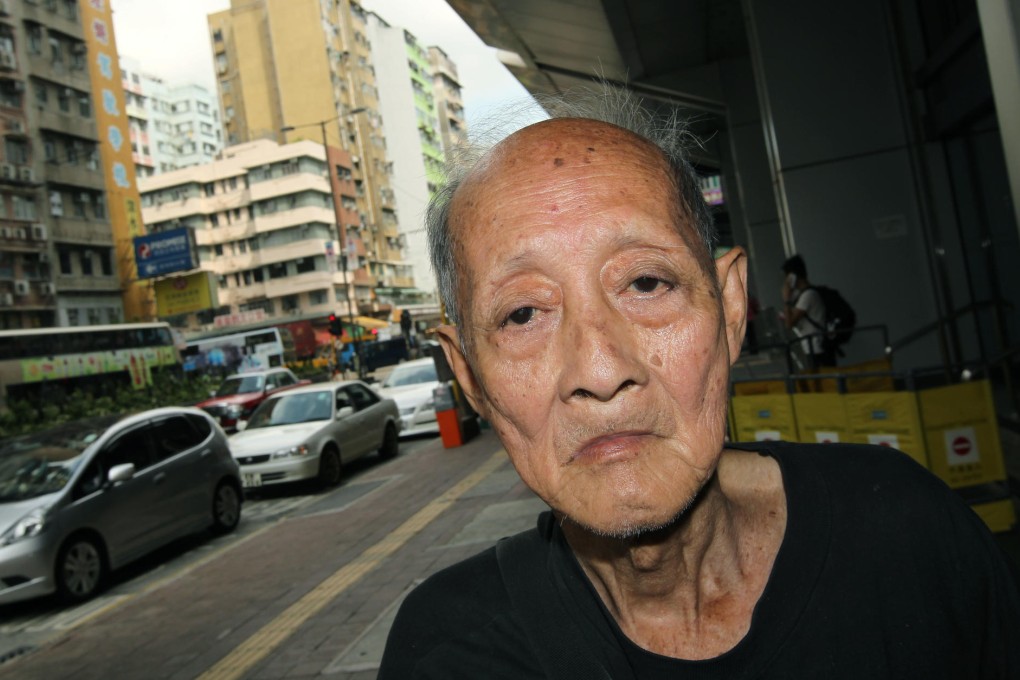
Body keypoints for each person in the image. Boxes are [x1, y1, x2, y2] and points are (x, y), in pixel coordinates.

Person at [378, 86, 1020, 679]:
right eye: (523, 314)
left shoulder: (907, 532)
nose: (600, 372)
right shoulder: (450, 653)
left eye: (647, 283)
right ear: (469, 376)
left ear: (731, 307)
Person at [781, 254, 834, 369]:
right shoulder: (805, 294)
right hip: (814, 346)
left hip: (817, 347)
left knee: (822, 383)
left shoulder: (808, 295)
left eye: (787, 277)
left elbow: (789, 323)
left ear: (792, 277)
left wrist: (786, 299)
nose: (786, 281)